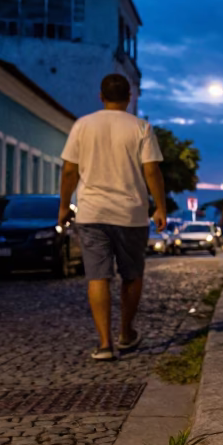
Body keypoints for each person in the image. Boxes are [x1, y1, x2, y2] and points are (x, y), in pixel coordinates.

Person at [58, 74, 166, 361]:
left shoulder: (83, 125)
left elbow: (69, 171)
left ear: (100, 96)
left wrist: (64, 206)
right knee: (132, 276)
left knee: (98, 277)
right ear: (129, 97)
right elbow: (152, 171)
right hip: (130, 214)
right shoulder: (141, 127)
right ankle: (126, 333)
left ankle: (104, 344)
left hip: (92, 213)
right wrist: (160, 207)